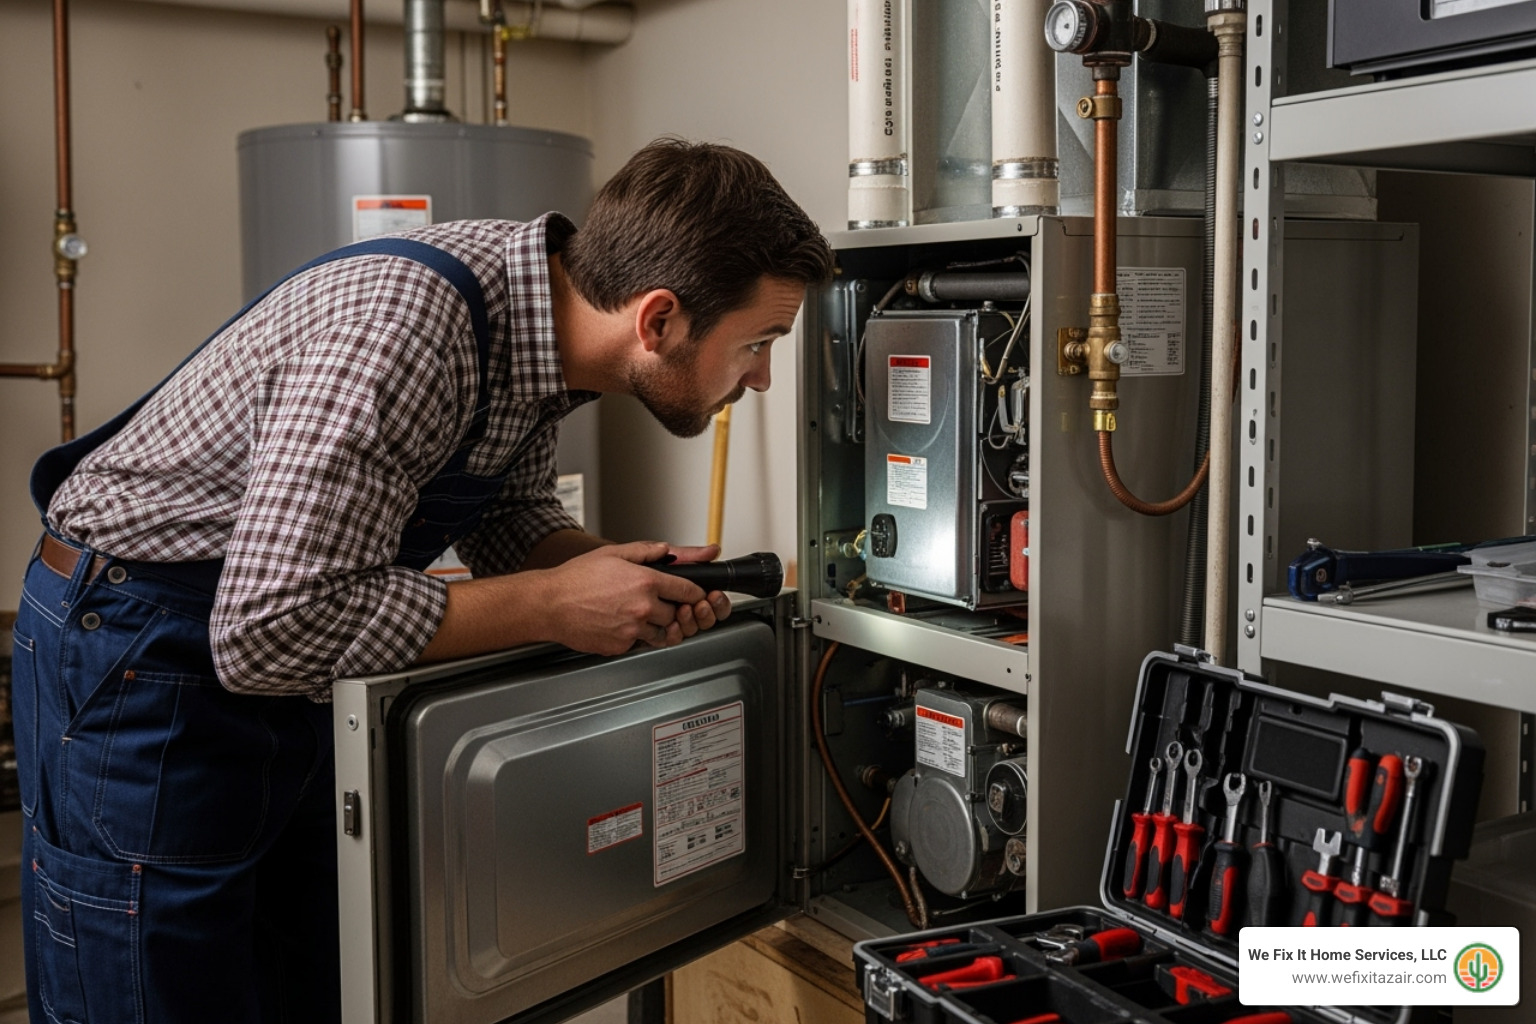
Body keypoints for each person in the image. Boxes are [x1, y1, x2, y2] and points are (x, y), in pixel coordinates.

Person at [11, 137, 833, 1024]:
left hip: (275, 668)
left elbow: (506, 515)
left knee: (304, 972)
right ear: (658, 319)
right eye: (756, 343)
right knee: (158, 987)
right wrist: (555, 607)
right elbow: (272, 627)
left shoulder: (540, 323)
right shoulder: (408, 330)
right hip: (138, 644)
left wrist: (604, 573)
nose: (761, 376)